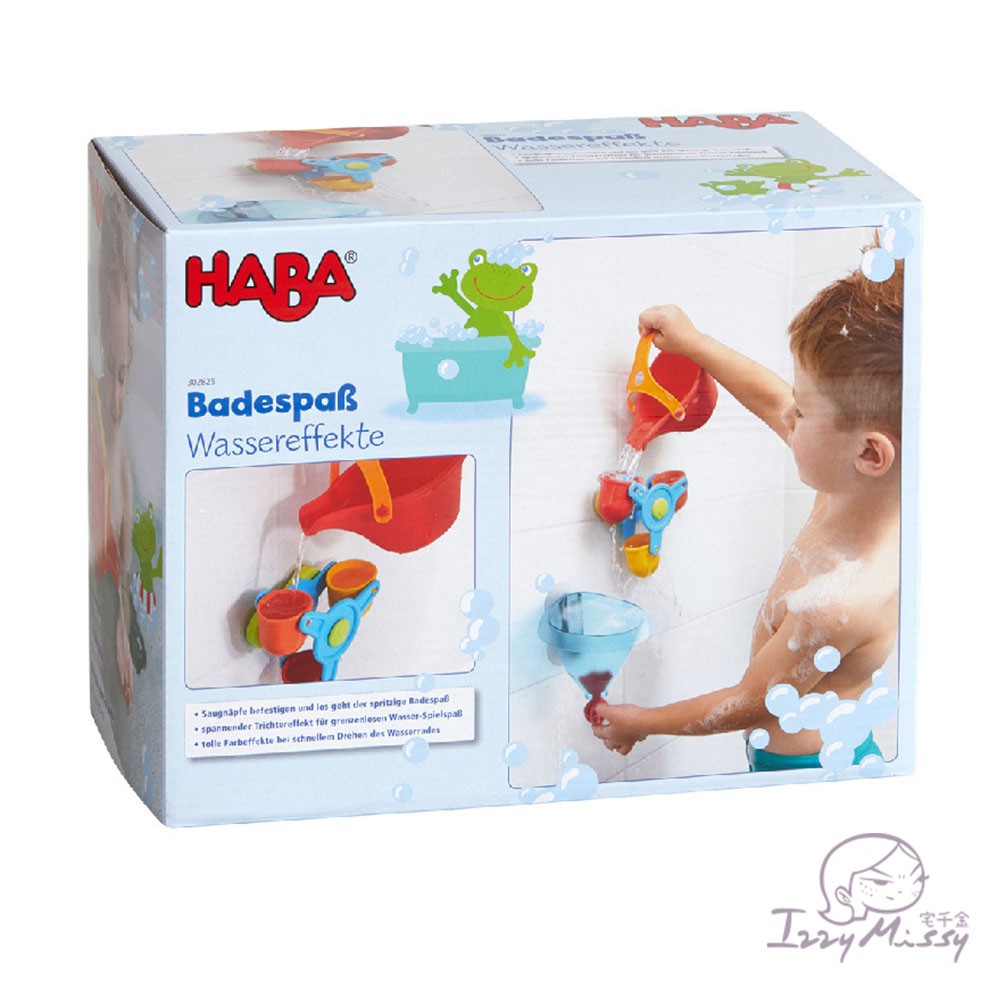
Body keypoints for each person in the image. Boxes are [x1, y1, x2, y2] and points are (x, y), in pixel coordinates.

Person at [594, 253, 903, 770]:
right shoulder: (858, 488)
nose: (788, 415)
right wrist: (694, 343)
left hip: (810, 774)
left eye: (803, 411)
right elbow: (771, 399)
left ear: (870, 453)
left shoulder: (841, 601)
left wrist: (639, 722)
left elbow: (751, 702)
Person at [89, 191, 135, 711]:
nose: (120, 398)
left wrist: (123, 621)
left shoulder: (117, 433)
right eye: (114, 375)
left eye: (127, 375)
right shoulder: (93, 399)